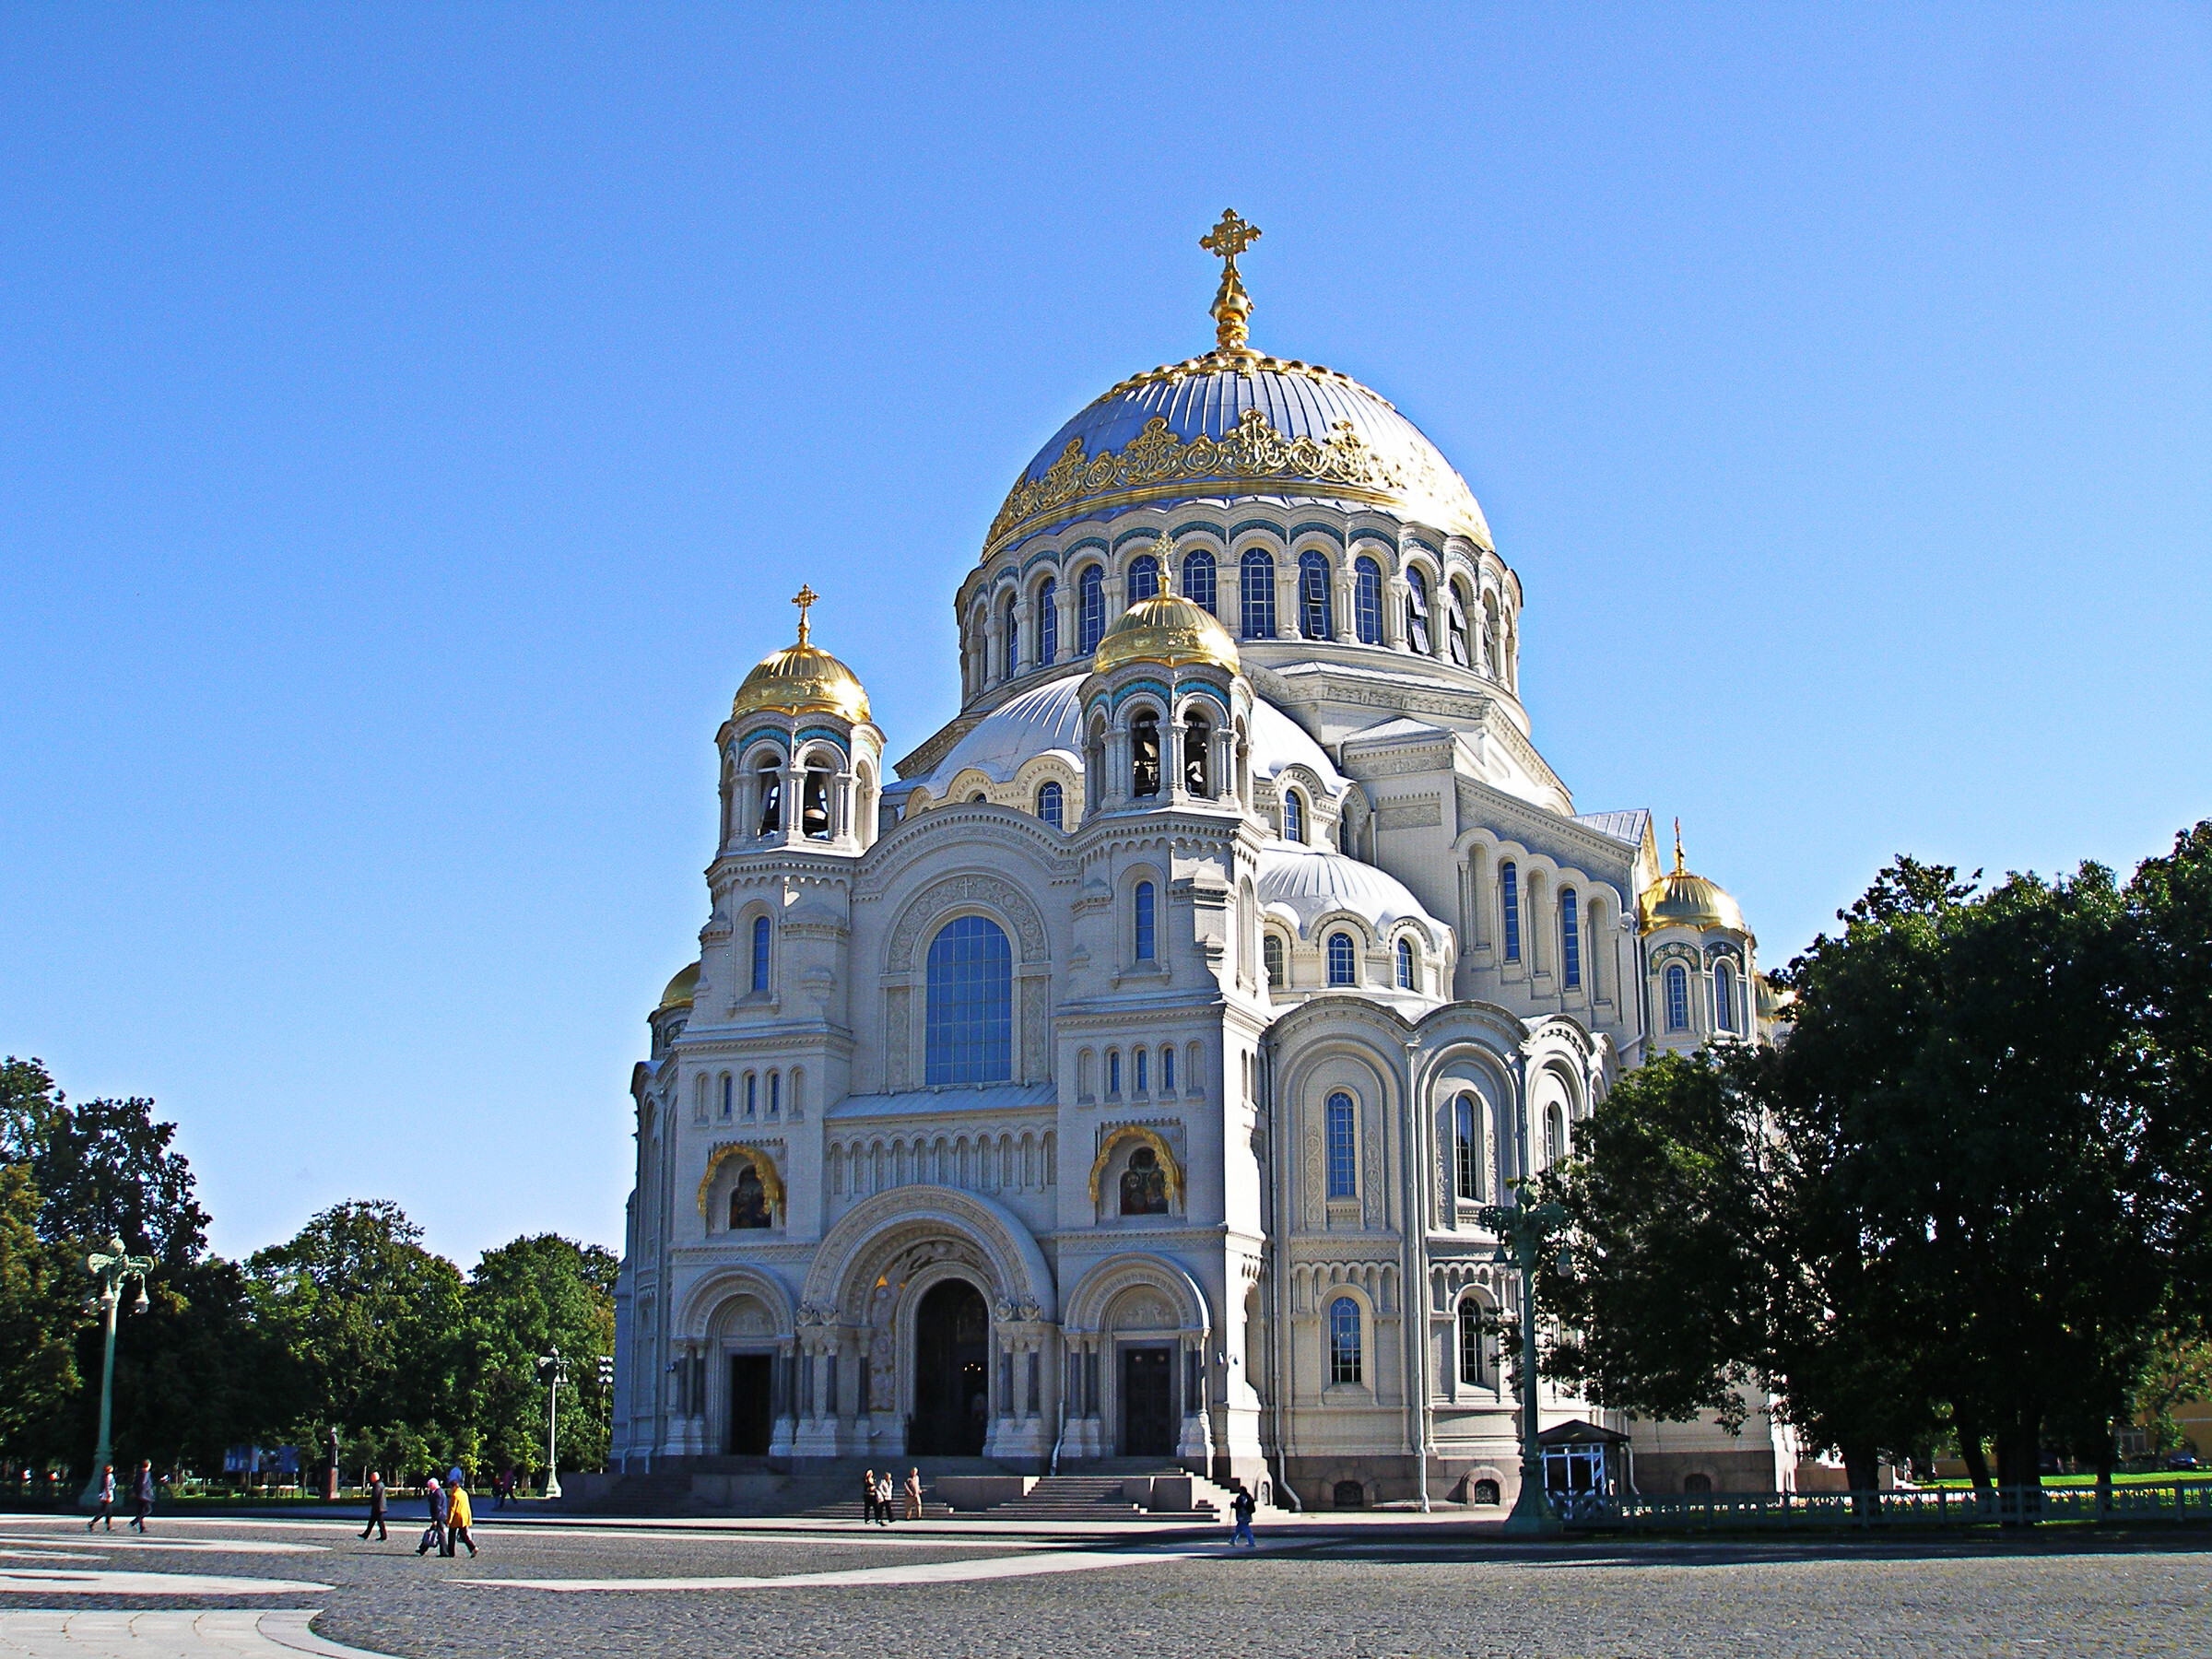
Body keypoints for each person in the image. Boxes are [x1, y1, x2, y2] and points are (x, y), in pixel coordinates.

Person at [444, 1475, 477, 1558]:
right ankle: (473, 1548)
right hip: (464, 1517)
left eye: (451, 1488)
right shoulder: (464, 1493)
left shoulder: (455, 1495)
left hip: (456, 1518)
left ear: (454, 1487)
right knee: (463, 1535)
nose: (450, 1490)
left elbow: (452, 1509)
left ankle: (451, 1552)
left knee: (451, 1535)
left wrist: (449, 1520)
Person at [417, 1477, 445, 1556]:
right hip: (439, 1516)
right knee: (436, 1533)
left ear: (433, 1485)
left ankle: (443, 1551)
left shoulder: (437, 1494)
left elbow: (437, 1507)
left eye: (429, 1486)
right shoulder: (438, 1492)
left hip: (438, 1517)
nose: (429, 1488)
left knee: (439, 1534)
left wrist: (435, 1519)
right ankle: (422, 1549)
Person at [360, 1471, 387, 1541]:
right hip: (379, 1507)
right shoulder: (380, 1484)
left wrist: (371, 1502)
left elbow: (376, 1495)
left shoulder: (377, 1485)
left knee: (376, 1522)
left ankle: (382, 1536)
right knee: (375, 1522)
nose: (371, 1478)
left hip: (377, 1507)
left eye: (372, 1477)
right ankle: (366, 1535)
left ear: (374, 1477)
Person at [87, 1465, 114, 1532]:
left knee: (109, 1511)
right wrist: (108, 1494)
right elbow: (107, 1486)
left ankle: (108, 1525)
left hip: (103, 1494)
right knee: (104, 1511)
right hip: (107, 1494)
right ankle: (92, 1522)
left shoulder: (103, 1476)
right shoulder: (109, 1476)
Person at [131, 1461, 155, 1533]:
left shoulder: (139, 1472)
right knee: (147, 1509)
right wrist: (150, 1493)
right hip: (144, 1493)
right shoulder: (146, 1473)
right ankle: (134, 1522)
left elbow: (136, 1482)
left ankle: (141, 1527)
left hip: (139, 1493)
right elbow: (145, 1483)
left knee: (140, 1510)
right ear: (148, 1465)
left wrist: (135, 1491)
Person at [1230, 1484, 1256, 1548]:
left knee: (1246, 1529)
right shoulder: (1249, 1497)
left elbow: (1241, 1506)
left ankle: (1251, 1542)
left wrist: (1234, 1505)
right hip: (1246, 1515)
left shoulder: (1242, 1497)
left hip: (1243, 1516)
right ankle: (1233, 1540)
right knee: (1238, 1529)